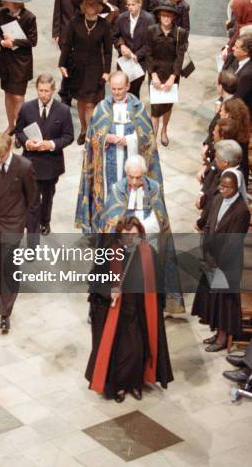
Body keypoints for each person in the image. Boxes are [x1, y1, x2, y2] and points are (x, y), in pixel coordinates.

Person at [85, 216, 173, 402]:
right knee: (119, 351)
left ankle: (135, 384)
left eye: (133, 235)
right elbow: (93, 280)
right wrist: (110, 291)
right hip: (116, 313)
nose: (129, 239)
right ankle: (119, 386)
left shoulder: (149, 253)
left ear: (140, 233)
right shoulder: (109, 253)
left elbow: (159, 282)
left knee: (138, 349)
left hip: (141, 310)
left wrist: (158, 306)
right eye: (125, 235)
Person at [76, 71, 162, 234]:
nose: (116, 93)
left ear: (128, 86)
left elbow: (147, 138)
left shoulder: (138, 108)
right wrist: (103, 138)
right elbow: (92, 136)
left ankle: (127, 231)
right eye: (113, 89)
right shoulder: (102, 108)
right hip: (107, 169)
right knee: (109, 200)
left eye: (120, 89)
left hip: (130, 165)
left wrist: (128, 140)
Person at [101, 155, 184, 314]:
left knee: (150, 274)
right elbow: (111, 219)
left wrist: (144, 228)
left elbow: (160, 216)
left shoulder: (153, 187)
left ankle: (153, 305)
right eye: (131, 177)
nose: (133, 182)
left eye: (138, 178)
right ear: (126, 174)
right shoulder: (117, 188)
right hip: (125, 240)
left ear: (144, 175)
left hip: (149, 237)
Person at [0, 133, 37, 333]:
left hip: (13, 222)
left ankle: (5, 312)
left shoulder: (24, 166)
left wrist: (20, 217)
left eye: (2, 156)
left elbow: (31, 197)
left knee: (10, 267)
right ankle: (0, 290)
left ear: (10, 150)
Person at [192, 169, 250, 352]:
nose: (224, 190)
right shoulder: (217, 199)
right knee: (214, 299)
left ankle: (224, 337)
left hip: (228, 264)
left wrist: (216, 261)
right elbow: (210, 224)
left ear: (237, 187)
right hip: (212, 258)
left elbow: (234, 241)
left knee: (225, 301)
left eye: (228, 187)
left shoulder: (241, 210)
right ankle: (217, 333)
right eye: (222, 186)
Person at [15, 73, 74, 240]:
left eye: (47, 91)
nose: (43, 94)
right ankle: (32, 231)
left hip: (51, 163)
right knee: (32, 201)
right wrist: (27, 143)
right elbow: (18, 131)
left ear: (53, 90)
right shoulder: (27, 108)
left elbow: (69, 136)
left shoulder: (63, 111)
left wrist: (51, 144)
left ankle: (45, 221)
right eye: (40, 90)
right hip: (31, 162)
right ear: (36, 89)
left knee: (47, 197)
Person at [59, 0, 112, 144]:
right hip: (77, 68)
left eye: (93, 4)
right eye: (87, 3)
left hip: (95, 70)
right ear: (82, 6)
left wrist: (107, 71)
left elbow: (108, 51)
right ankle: (83, 128)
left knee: (90, 103)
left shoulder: (104, 25)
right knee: (81, 102)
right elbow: (67, 45)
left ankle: (89, 132)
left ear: (98, 7)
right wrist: (62, 64)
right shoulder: (75, 22)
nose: (90, 6)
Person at [0, 0, 37, 134]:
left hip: (20, 63)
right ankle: (11, 125)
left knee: (18, 97)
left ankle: (20, 129)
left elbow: (33, 41)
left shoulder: (29, 17)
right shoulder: (2, 13)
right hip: (6, 60)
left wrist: (14, 41)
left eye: (6, 0)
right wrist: (2, 42)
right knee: (8, 93)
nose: (4, 3)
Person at [145, 0, 188, 145]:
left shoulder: (180, 33)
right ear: (159, 16)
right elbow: (148, 53)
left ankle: (164, 130)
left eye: (169, 16)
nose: (166, 19)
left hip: (172, 73)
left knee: (168, 105)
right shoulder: (151, 30)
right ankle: (154, 139)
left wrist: (173, 77)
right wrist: (153, 75)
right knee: (155, 107)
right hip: (155, 72)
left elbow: (180, 57)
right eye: (163, 15)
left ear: (174, 17)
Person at [52, 0, 94, 105]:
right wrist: (55, 32)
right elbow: (57, 10)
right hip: (65, 33)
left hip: (82, 34)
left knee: (79, 63)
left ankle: (75, 91)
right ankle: (66, 96)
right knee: (66, 63)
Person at [113, 0, 155, 99]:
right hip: (124, 61)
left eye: (133, 5)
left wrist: (138, 55)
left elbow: (151, 42)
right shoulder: (122, 18)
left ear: (140, 3)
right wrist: (121, 45)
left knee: (134, 92)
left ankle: (133, 114)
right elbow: (114, 36)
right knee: (121, 91)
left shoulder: (149, 19)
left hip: (139, 62)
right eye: (128, 5)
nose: (130, 8)